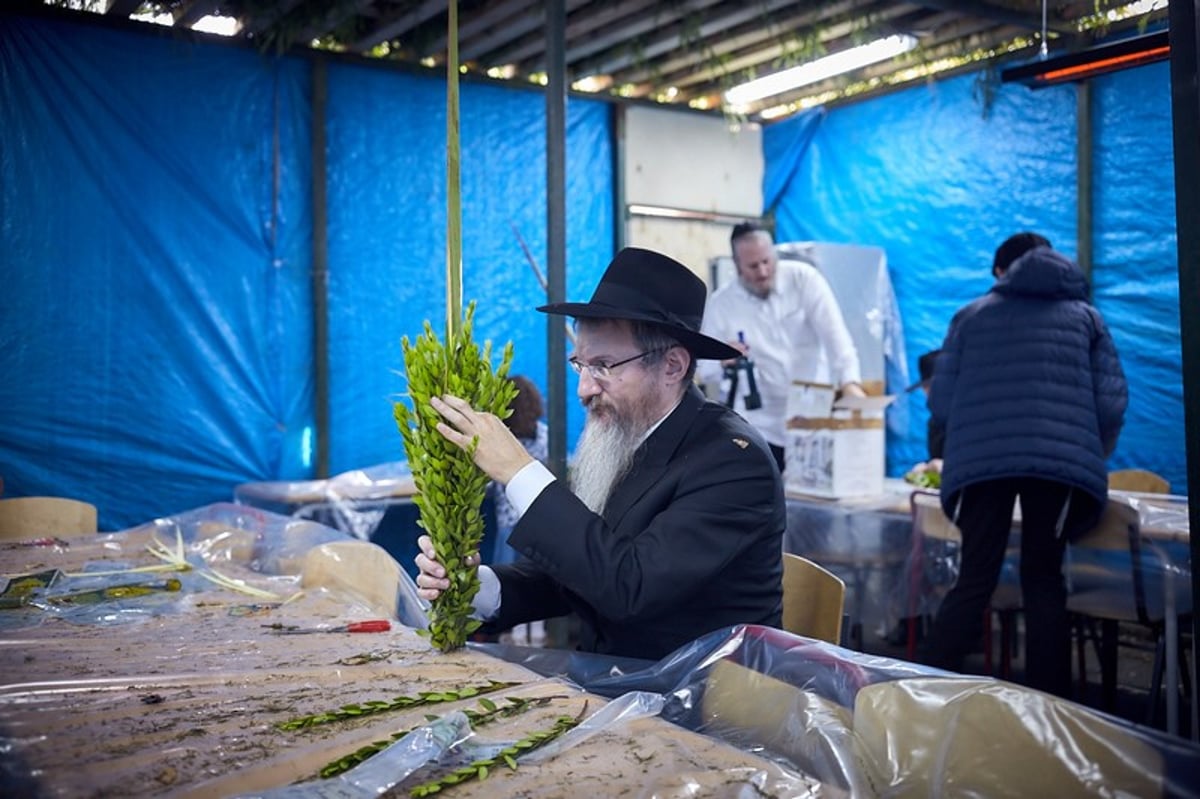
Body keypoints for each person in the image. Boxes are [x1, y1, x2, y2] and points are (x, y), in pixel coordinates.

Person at [415, 247, 785, 660]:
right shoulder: (630, 438)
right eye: (581, 365)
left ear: (673, 366)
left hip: (703, 704)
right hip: (618, 690)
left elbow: (630, 586)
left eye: (604, 366)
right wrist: (476, 587)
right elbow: (578, 572)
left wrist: (519, 471)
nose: (584, 389)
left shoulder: (732, 462)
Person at [916, 232, 1127, 698]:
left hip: (981, 465)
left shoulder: (971, 316)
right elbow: (1110, 404)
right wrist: (1088, 453)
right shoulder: (1086, 318)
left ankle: (918, 695)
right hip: (1058, 470)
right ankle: (1046, 706)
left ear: (1003, 272)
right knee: (1043, 577)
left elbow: (944, 403)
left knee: (974, 578)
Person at [699, 222, 865, 473]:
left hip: (809, 418)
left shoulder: (804, 280)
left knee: (810, 500)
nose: (763, 271)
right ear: (737, 266)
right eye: (753, 266)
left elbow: (836, 338)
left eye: (767, 261)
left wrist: (850, 383)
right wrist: (723, 357)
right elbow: (704, 368)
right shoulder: (723, 303)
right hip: (756, 424)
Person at [905, 348, 944, 480]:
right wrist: (927, 466)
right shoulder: (934, 423)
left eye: (932, 385)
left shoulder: (968, 419)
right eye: (925, 387)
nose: (927, 392)